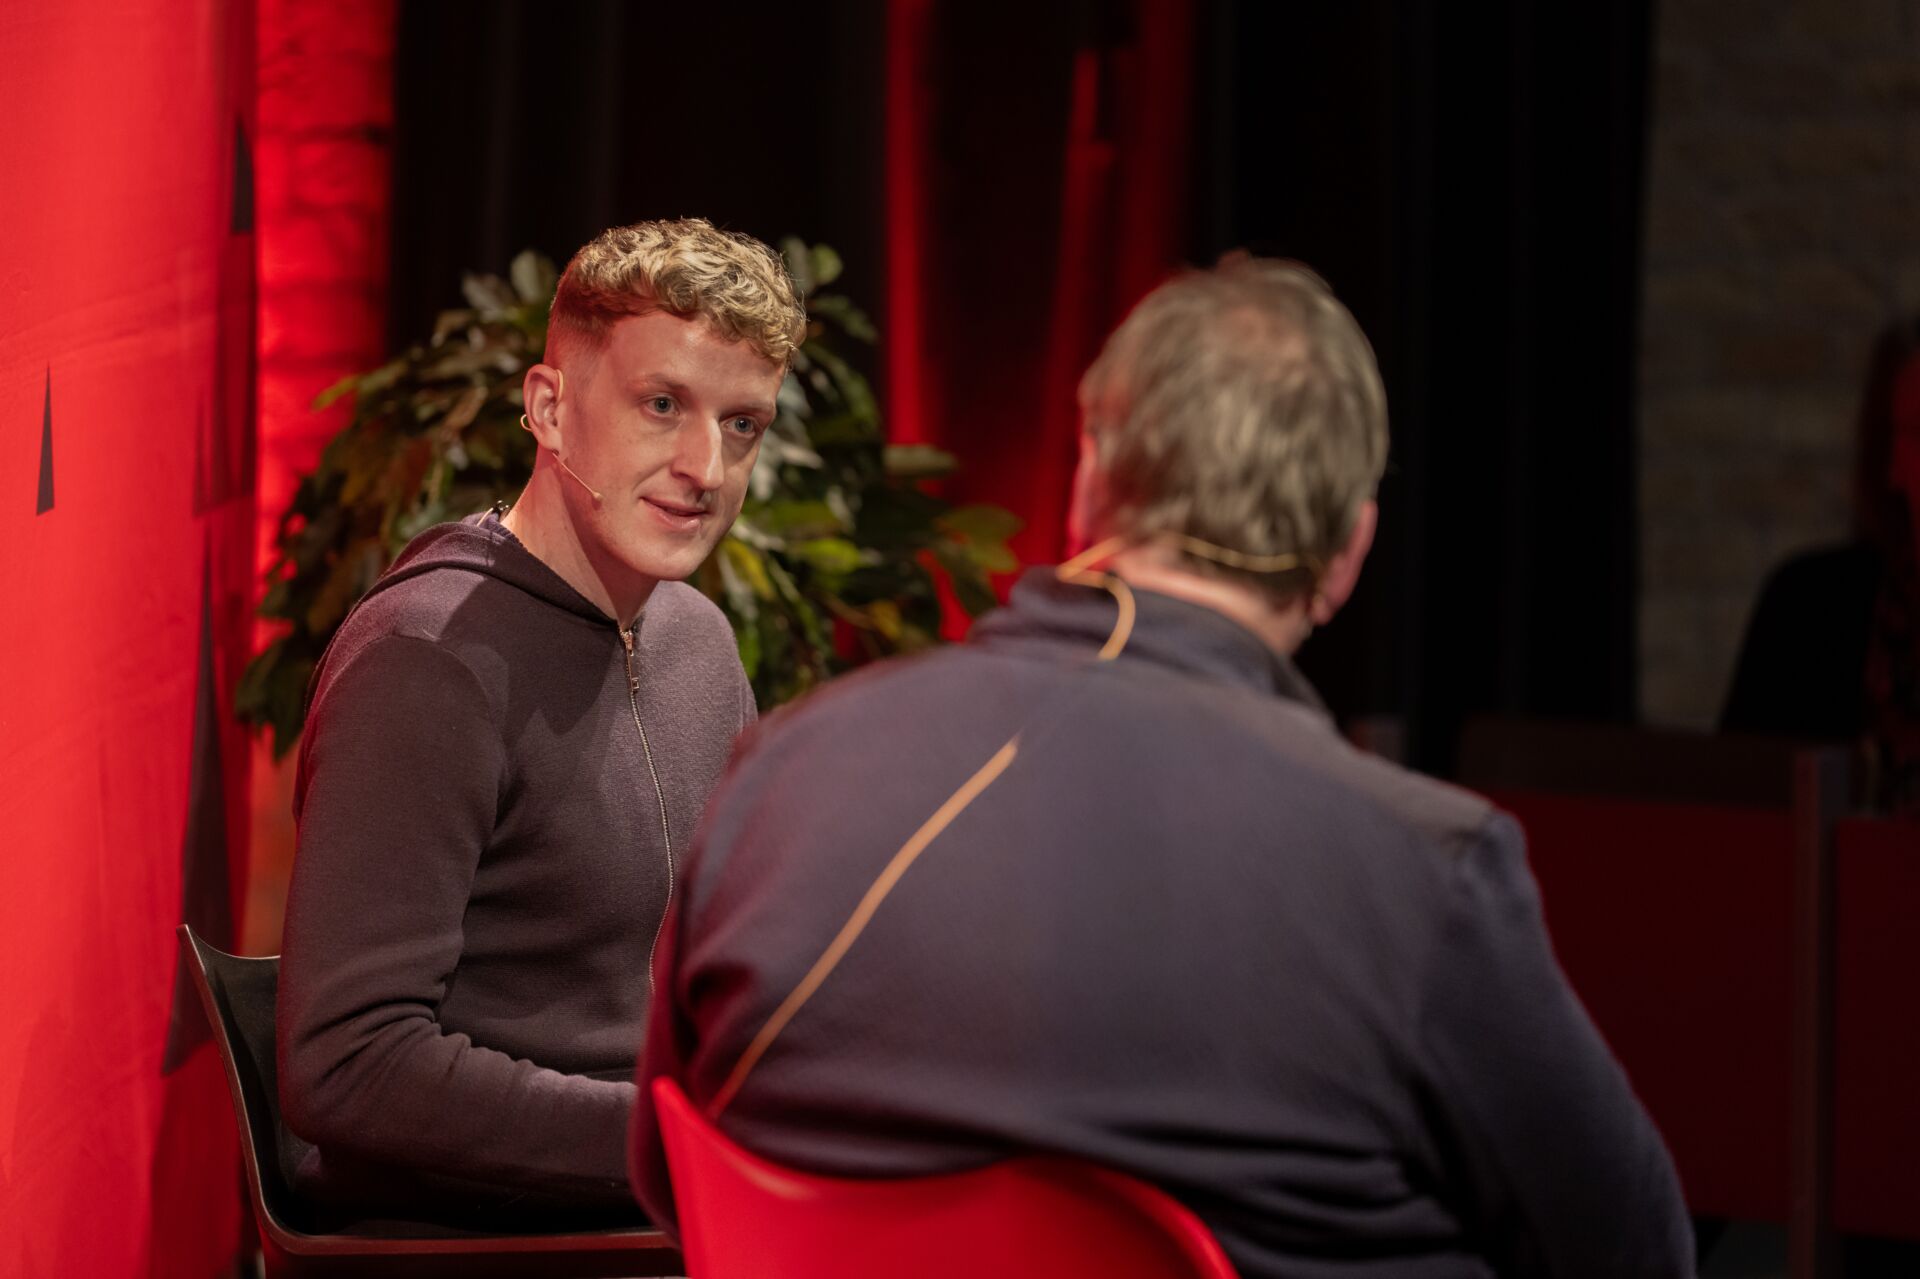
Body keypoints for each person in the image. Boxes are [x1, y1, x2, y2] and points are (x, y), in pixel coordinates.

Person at [629, 257, 1693, 1276]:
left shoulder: (781, 765)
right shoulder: (1428, 872)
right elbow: (1634, 1254)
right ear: (1347, 554)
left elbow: (670, 1177)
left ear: (1092, 476)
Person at [278, 218, 803, 1225]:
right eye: (662, 405)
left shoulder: (697, 639)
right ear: (550, 410)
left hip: (654, 1217)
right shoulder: (424, 662)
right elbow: (345, 1064)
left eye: (742, 425)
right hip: (487, 1242)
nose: (706, 464)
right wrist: (669, 1146)